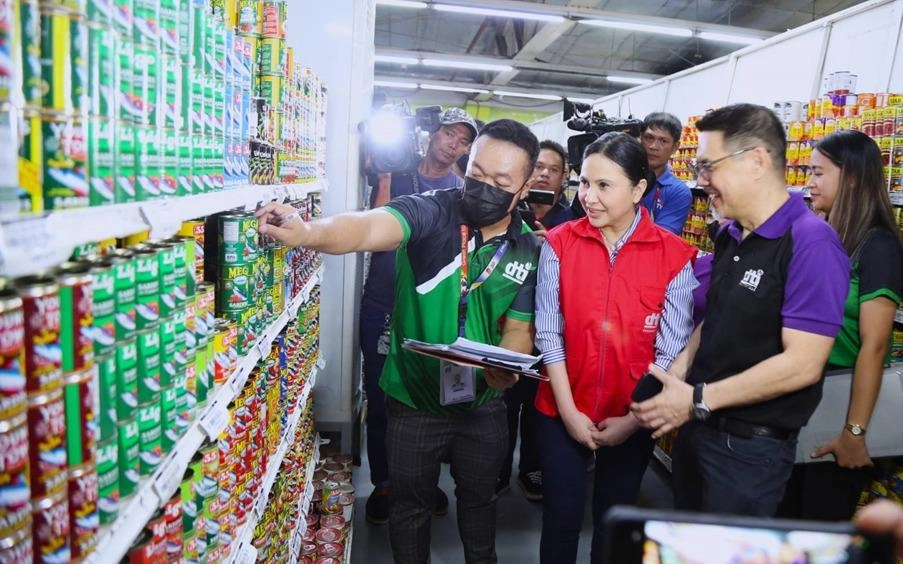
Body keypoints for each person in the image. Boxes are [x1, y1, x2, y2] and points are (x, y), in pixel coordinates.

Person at [257, 119, 541, 564]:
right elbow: (370, 227)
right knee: (410, 508)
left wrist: (506, 369)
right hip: (413, 396)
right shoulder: (434, 210)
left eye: (501, 181)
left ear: (523, 187)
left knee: (480, 504)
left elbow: (520, 330)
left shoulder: (528, 248)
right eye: (477, 174)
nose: (484, 187)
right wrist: (310, 231)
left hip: (483, 404)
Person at [631, 103, 851, 517]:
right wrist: (678, 372)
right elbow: (715, 316)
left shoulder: (812, 244)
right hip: (699, 431)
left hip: (749, 452)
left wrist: (697, 398)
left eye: (708, 166)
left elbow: (803, 364)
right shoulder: (732, 234)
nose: (702, 181)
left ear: (755, 161)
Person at [533, 132, 698, 563]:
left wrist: (631, 420)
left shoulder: (676, 256)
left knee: (614, 523)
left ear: (639, 189)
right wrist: (568, 412)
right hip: (561, 409)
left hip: (633, 415)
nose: (589, 196)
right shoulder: (559, 243)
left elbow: (669, 352)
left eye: (604, 185)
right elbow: (549, 333)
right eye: (585, 183)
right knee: (560, 519)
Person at [359, 107, 478, 524]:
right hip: (383, 302)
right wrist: (388, 175)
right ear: (433, 133)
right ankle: (385, 484)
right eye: (449, 134)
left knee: (426, 398)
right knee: (379, 396)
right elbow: (376, 235)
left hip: (432, 310)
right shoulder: (399, 173)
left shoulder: (464, 191)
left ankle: (421, 483)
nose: (454, 145)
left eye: (464, 141)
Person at [778, 130, 903, 521]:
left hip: (838, 401)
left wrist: (854, 433)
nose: (808, 183)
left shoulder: (878, 246)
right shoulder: (825, 236)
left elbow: (875, 346)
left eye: (818, 173)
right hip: (796, 399)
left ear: (850, 177)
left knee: (819, 527)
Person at [498, 139, 574, 502]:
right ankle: (496, 470)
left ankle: (531, 468)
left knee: (539, 406)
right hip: (507, 323)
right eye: (538, 167)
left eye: (553, 169)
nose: (545, 174)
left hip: (553, 330)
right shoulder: (506, 210)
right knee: (503, 401)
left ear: (564, 177)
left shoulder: (574, 221)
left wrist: (556, 248)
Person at [639, 112, 692, 235]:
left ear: (675, 147)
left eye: (663, 141)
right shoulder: (624, 178)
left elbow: (660, 240)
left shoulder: (678, 192)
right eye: (649, 138)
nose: (654, 146)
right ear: (641, 138)